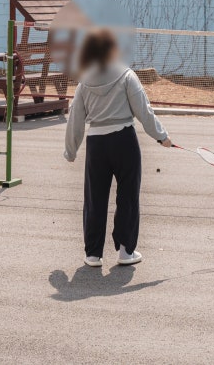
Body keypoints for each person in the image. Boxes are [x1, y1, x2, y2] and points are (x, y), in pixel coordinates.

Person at [65, 28, 171, 268]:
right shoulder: (126, 75)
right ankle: (125, 251)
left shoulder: (85, 81)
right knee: (128, 196)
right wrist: (161, 137)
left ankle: (93, 254)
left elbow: (76, 119)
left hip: (96, 145)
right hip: (124, 141)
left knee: (95, 199)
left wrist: (70, 151)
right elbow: (144, 111)